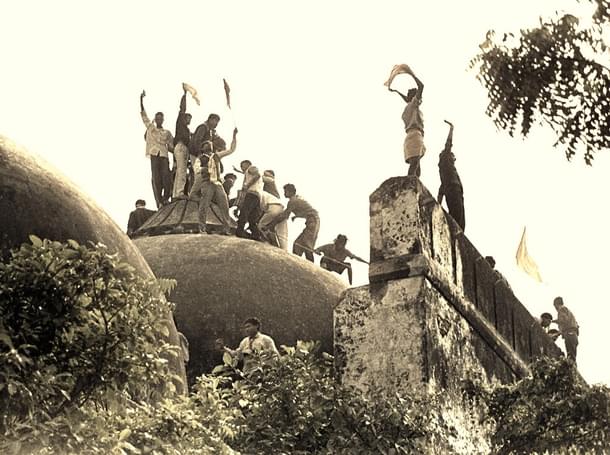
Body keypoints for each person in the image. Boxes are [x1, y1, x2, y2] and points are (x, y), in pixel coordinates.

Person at [189, 128, 238, 235]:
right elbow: (197, 170)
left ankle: (226, 228)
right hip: (207, 183)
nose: (209, 144)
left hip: (217, 183)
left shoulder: (216, 156)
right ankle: (202, 227)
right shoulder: (200, 158)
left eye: (210, 144)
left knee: (224, 205)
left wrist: (234, 136)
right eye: (206, 144)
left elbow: (231, 149)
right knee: (204, 205)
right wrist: (206, 170)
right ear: (202, 148)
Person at [386, 64, 425, 177]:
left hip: (411, 136)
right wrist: (412, 74)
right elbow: (421, 86)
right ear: (413, 98)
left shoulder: (408, 109)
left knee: (416, 166)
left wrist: (396, 92)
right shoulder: (413, 105)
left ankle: (414, 186)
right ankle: (408, 185)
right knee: (415, 164)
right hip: (415, 135)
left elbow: (407, 99)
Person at [267, 184, 319, 262]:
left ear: (290, 192)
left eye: (286, 191)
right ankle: (297, 262)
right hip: (312, 220)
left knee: (306, 244)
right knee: (298, 244)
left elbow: (285, 215)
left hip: (313, 221)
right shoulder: (295, 199)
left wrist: (270, 225)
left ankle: (311, 266)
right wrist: (297, 216)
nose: (284, 193)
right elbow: (306, 211)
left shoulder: (293, 201)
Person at [140, 90, 174, 207]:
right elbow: (144, 116)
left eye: (161, 118)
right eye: (157, 118)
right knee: (156, 178)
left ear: (163, 120)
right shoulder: (151, 129)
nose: (159, 120)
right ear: (155, 119)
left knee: (166, 176)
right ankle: (159, 201)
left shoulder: (167, 132)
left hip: (164, 155)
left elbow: (172, 146)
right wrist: (141, 100)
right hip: (154, 154)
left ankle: (166, 197)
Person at [437, 120, 465, 230]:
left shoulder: (445, 172)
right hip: (454, 190)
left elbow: (441, 189)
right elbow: (448, 144)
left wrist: (438, 204)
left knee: (457, 217)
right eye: (453, 156)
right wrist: (451, 129)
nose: (454, 158)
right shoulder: (446, 161)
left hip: (455, 191)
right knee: (458, 218)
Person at [188, 113, 221, 191]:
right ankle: (194, 193)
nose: (216, 124)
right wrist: (200, 153)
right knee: (198, 174)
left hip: (200, 155)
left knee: (200, 174)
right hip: (196, 154)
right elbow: (197, 140)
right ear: (210, 119)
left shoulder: (209, 130)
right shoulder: (203, 127)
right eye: (215, 121)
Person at [172, 84, 193, 200]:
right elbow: (182, 109)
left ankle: (176, 193)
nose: (189, 120)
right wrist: (185, 95)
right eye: (188, 118)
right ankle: (179, 193)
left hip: (181, 147)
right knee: (182, 171)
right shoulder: (180, 124)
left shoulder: (186, 130)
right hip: (181, 146)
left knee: (180, 170)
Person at [236, 160, 263, 240]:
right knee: (252, 218)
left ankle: (239, 232)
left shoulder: (251, 168)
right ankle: (256, 235)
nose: (242, 168)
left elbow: (257, 175)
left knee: (244, 213)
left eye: (242, 165)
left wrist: (247, 185)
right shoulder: (247, 173)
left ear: (247, 164)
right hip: (257, 196)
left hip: (251, 194)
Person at [553, 297, 579, 362]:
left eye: (555, 306)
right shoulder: (568, 311)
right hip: (574, 335)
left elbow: (563, 320)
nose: (555, 308)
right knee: (572, 356)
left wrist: (555, 321)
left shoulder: (561, 309)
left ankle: (571, 368)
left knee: (570, 356)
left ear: (556, 304)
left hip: (569, 334)